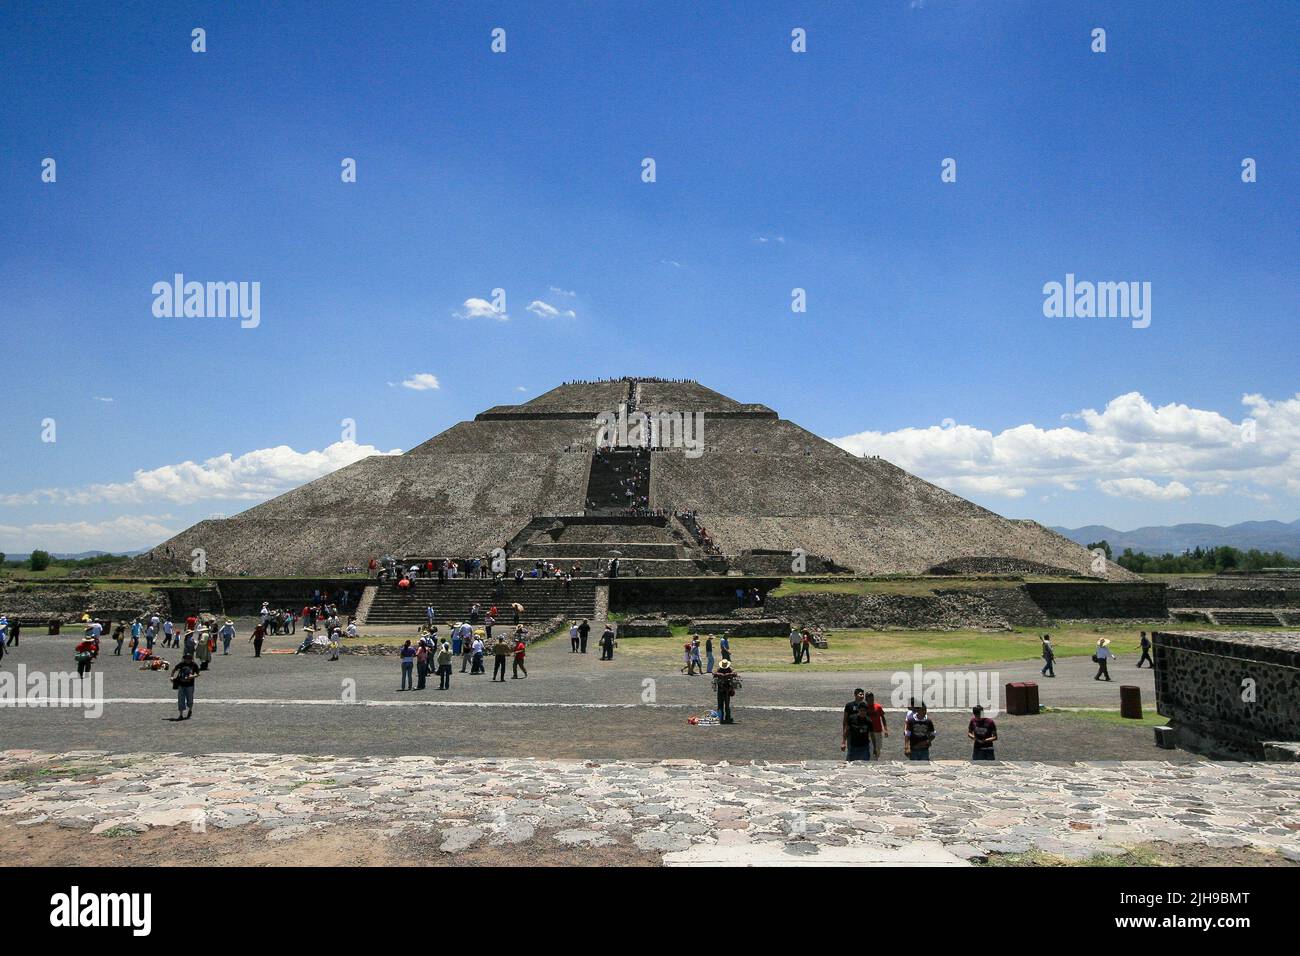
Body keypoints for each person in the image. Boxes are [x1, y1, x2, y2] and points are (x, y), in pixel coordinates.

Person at [842, 688, 874, 761]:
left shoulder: (866, 706)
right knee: (851, 749)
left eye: (863, 694)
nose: (862, 696)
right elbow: (845, 721)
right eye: (860, 694)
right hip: (851, 732)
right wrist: (843, 740)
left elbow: (868, 719)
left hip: (863, 733)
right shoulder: (849, 705)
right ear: (855, 695)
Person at [170, 654, 199, 720]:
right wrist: (171, 677)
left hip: (190, 685)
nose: (187, 660)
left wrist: (192, 676)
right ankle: (181, 715)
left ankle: (190, 710)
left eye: (189, 658)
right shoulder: (181, 664)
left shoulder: (194, 665)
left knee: (190, 700)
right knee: (180, 700)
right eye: (186, 658)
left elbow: (197, 673)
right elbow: (174, 669)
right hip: (181, 685)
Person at [712, 659, 739, 724]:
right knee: (723, 704)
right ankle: (724, 718)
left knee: (724, 704)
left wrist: (724, 675)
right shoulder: (720, 670)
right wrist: (726, 675)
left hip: (727, 689)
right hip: (722, 689)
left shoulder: (729, 670)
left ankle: (724, 718)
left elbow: (735, 673)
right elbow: (714, 673)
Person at [863, 691, 888, 759]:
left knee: (878, 748)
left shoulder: (878, 707)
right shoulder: (864, 708)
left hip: (878, 731)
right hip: (868, 732)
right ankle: (870, 761)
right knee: (870, 748)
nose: (871, 701)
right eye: (869, 699)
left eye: (872, 699)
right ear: (866, 699)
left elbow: (883, 718)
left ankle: (875, 759)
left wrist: (885, 729)